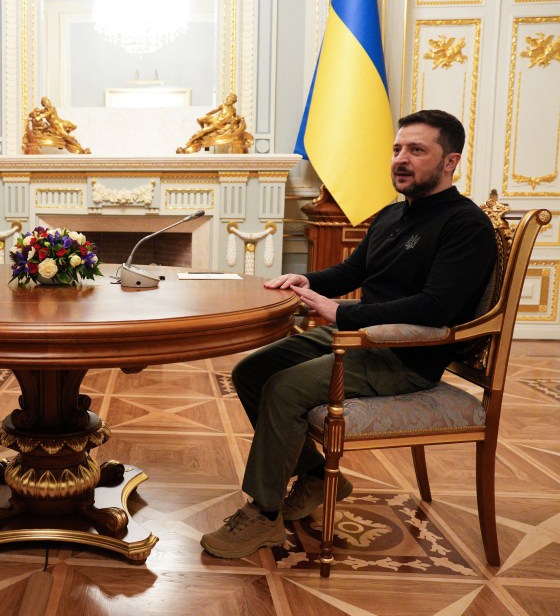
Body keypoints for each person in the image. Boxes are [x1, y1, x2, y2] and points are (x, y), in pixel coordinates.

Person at [200, 109, 497, 558]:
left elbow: (437, 307)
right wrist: (305, 281)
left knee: (283, 389)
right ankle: (319, 477)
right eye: (398, 149)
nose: (401, 159)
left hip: (404, 355)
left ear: (450, 161)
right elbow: (353, 271)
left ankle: (262, 515)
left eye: (417, 150)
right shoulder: (393, 215)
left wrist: (342, 314)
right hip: (361, 336)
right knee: (251, 371)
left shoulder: (465, 225)